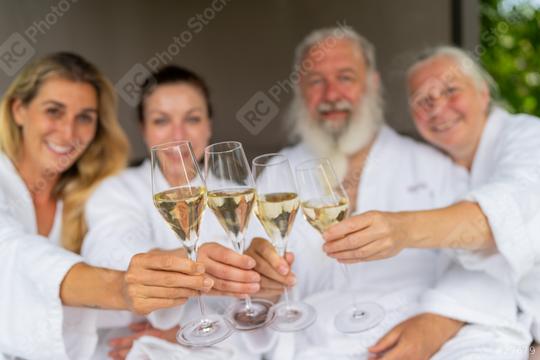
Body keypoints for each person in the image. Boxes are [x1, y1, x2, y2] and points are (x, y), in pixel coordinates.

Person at [246, 27, 531, 359]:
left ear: (372, 84)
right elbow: (254, 278)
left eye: (346, 77)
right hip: (313, 344)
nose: (331, 94)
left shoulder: (433, 165)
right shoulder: (278, 173)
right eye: (316, 81)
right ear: (300, 91)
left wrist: (436, 324)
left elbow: (484, 258)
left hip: (413, 340)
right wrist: (262, 285)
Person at [323, 45, 540, 355]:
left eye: (450, 90)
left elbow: (515, 206)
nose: (437, 108)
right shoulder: (444, 170)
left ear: (483, 94)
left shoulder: (529, 136)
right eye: (423, 100)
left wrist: (402, 229)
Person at [0, 53, 215, 360]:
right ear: (19, 110)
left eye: (84, 117)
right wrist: (122, 289)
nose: (68, 133)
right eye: (54, 111)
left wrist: (180, 326)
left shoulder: (84, 195)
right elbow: (12, 253)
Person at [82, 65, 292, 359]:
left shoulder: (235, 196)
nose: (178, 134)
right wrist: (194, 267)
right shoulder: (116, 192)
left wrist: (269, 286)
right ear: (143, 129)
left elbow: (254, 314)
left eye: (192, 119)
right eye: (161, 120)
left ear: (208, 126)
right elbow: (111, 252)